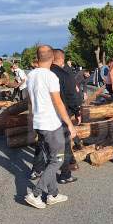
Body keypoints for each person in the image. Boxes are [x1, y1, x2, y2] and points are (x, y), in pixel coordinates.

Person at [24, 45, 77, 209]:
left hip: (39, 123)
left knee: (50, 160)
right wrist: (69, 123)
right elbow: (58, 102)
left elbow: (31, 101)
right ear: (52, 58)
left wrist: (32, 122)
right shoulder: (51, 76)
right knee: (58, 160)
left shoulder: (31, 75)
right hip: (51, 124)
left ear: (37, 58)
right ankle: (36, 193)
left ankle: (53, 194)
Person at [31, 48, 80, 184]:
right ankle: (64, 175)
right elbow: (64, 99)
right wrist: (75, 115)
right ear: (59, 59)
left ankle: (37, 170)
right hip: (57, 117)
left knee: (42, 145)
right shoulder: (60, 75)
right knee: (62, 148)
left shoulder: (33, 74)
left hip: (39, 118)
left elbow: (30, 100)